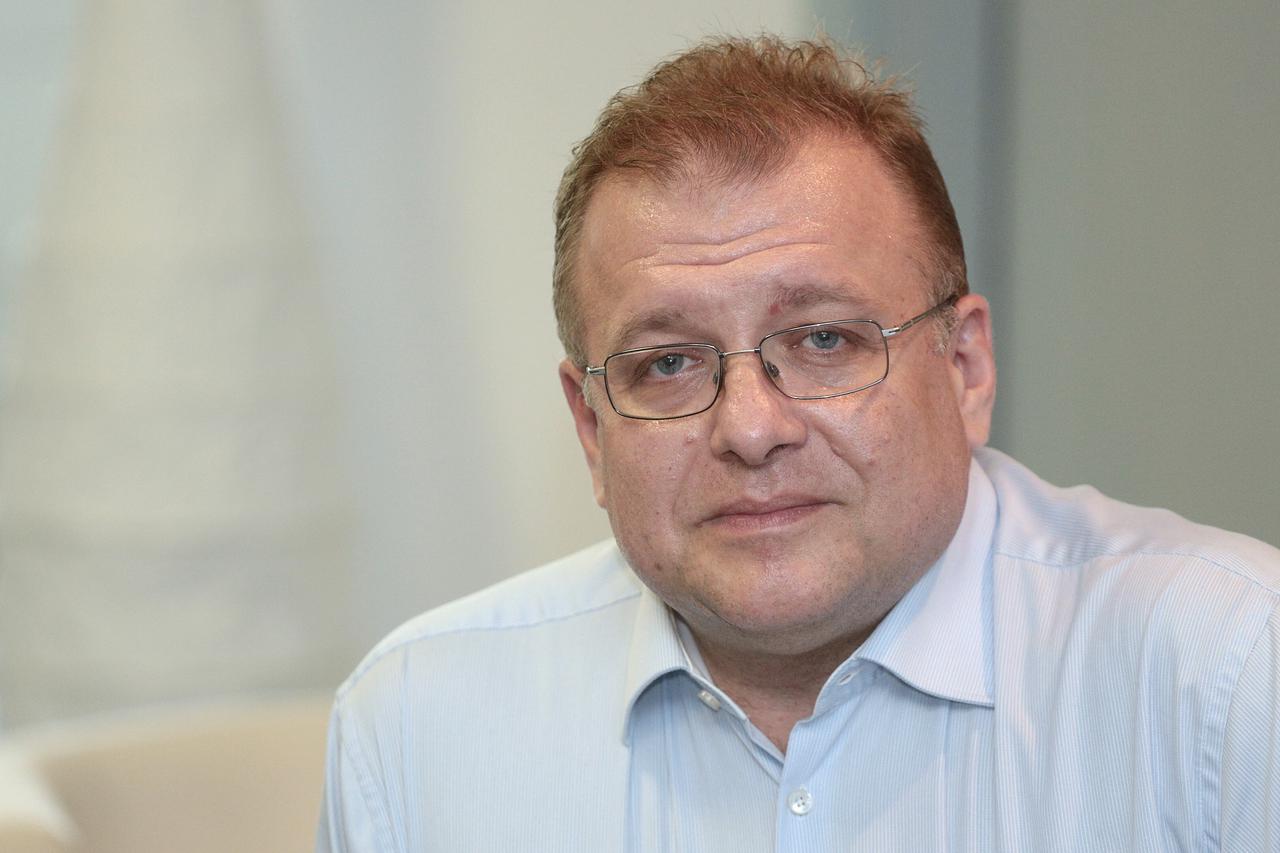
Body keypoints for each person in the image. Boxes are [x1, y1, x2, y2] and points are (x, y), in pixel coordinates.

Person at [317, 36, 1279, 851]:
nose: (750, 428)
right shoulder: (415, 730)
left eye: (824, 340)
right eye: (667, 363)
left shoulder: (1230, 674)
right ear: (591, 428)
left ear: (965, 367)